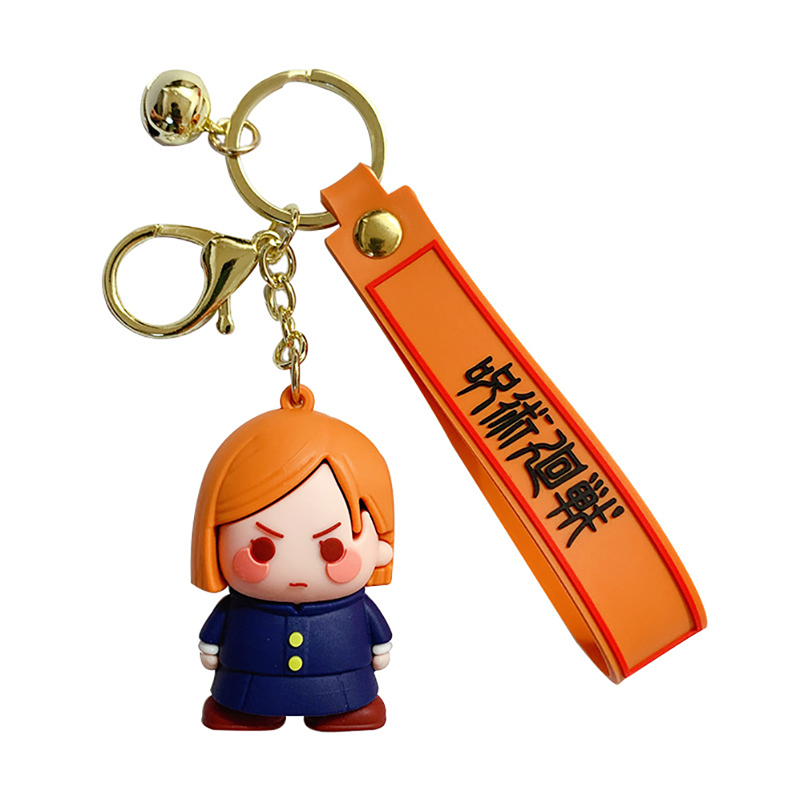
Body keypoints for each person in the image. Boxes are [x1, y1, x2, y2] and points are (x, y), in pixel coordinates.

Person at [191, 386, 394, 731]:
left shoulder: (355, 607)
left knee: (345, 702)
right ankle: (247, 712)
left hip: (343, 686)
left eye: (332, 547)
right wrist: (210, 644)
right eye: (262, 548)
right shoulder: (239, 607)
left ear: (380, 547)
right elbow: (215, 631)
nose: (296, 571)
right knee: (246, 702)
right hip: (248, 686)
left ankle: (341, 711)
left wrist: (381, 645)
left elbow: (378, 634)